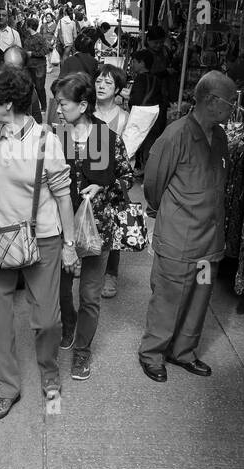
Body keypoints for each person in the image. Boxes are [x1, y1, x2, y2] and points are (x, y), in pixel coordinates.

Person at [0, 64, 78, 419]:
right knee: (0, 319)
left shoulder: (46, 141)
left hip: (43, 238)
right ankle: (7, 388)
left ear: (7, 103)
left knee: (48, 320)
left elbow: (64, 196)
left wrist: (69, 245)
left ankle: (49, 375)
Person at [137, 72, 237, 382]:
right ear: (211, 101)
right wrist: (166, 212)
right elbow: (153, 185)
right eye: (231, 102)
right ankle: (152, 353)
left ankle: (183, 351)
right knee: (169, 298)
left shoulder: (219, 136)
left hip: (210, 241)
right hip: (179, 238)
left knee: (199, 296)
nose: (234, 108)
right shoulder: (175, 135)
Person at [53, 73, 133, 381]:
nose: (58, 110)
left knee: (89, 295)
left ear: (82, 105)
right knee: (61, 291)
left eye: (63, 104)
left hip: (98, 228)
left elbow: (127, 178)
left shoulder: (106, 137)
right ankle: (68, 323)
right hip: (61, 230)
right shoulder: (56, 136)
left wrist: (104, 186)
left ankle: (82, 351)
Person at [93, 62, 129, 298]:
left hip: (114, 180)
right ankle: (85, 262)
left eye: (108, 82)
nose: (101, 85)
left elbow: (128, 155)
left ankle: (110, 274)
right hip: (90, 178)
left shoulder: (125, 118)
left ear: (117, 89)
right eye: (98, 81)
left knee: (114, 226)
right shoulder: (86, 113)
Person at [128, 49, 168, 171]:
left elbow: (136, 99)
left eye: (134, 61)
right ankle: (148, 170)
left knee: (142, 145)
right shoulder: (155, 79)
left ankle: (144, 171)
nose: (132, 64)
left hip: (142, 118)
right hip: (155, 117)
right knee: (150, 146)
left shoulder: (140, 79)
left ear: (142, 63)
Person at [3, 46, 43, 119]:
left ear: (23, 69)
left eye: (16, 69)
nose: (11, 72)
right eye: (8, 67)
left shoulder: (29, 91)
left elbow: (37, 118)